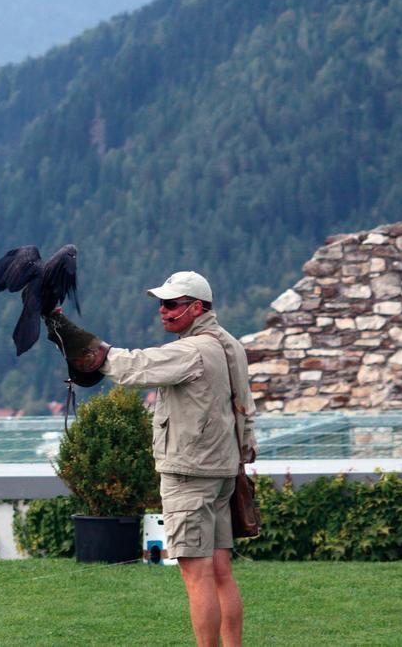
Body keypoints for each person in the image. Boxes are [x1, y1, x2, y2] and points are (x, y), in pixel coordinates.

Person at [45, 270, 258, 647]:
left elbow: (132, 367)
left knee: (197, 575)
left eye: (171, 303)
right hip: (225, 470)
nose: (162, 310)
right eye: (161, 302)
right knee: (221, 571)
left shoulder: (192, 350)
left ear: (196, 307)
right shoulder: (230, 344)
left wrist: (70, 333)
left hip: (190, 474)